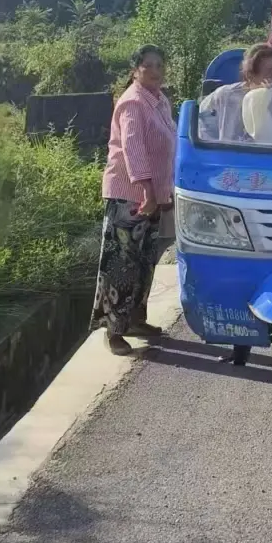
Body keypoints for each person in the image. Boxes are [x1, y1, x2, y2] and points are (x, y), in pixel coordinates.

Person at [92, 45, 177, 355]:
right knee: (121, 265)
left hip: (153, 195)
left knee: (144, 261)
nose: (155, 70)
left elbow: (169, 149)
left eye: (159, 64)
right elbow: (133, 151)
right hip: (131, 195)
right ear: (134, 71)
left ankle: (136, 320)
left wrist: (165, 191)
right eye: (147, 65)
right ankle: (113, 332)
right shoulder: (132, 103)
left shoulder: (159, 101)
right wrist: (146, 191)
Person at [200, 44, 272, 143]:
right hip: (227, 155)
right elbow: (203, 127)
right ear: (250, 75)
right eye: (270, 72)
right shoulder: (224, 96)